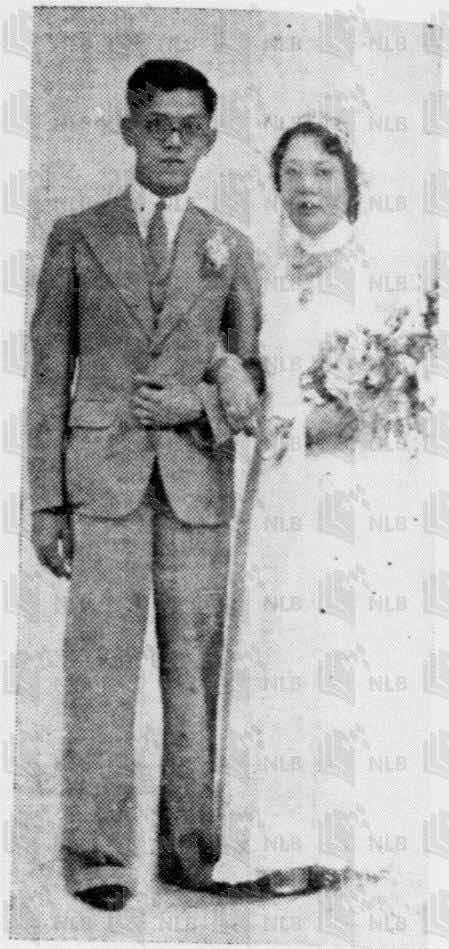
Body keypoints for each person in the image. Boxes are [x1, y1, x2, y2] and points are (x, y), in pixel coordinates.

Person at [27, 58, 263, 912]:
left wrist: (198, 402)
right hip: (103, 486)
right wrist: (46, 501)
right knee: (99, 671)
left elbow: (254, 376)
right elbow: (48, 375)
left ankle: (189, 851)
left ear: (209, 139)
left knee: (193, 674)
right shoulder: (77, 235)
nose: (172, 141)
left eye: (188, 128)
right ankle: (96, 855)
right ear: (128, 130)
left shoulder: (229, 245)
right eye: (156, 124)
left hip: (196, 488)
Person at [213, 117, 436, 898]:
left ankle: (341, 835)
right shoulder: (260, 274)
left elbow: (412, 385)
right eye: (292, 173)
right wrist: (255, 391)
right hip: (283, 485)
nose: (305, 188)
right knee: (282, 648)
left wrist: (362, 408)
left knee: (341, 648)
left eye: (322, 173)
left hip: (353, 490)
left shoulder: (383, 275)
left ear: (349, 183)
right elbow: (244, 374)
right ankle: (279, 842)